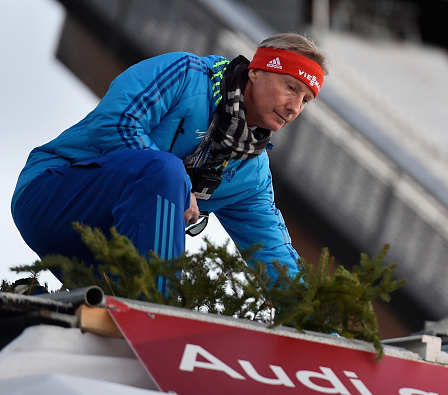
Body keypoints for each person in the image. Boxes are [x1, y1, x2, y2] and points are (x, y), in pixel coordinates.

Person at [11, 32, 328, 291]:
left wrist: (322, 327)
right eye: (291, 87)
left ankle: (31, 300)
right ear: (256, 71)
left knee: (116, 323)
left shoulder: (251, 172)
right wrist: (179, 187)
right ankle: (158, 309)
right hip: (51, 195)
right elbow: (113, 123)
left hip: (108, 248)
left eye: (306, 100)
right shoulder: (187, 76)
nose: (295, 108)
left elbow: (272, 253)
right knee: (166, 171)